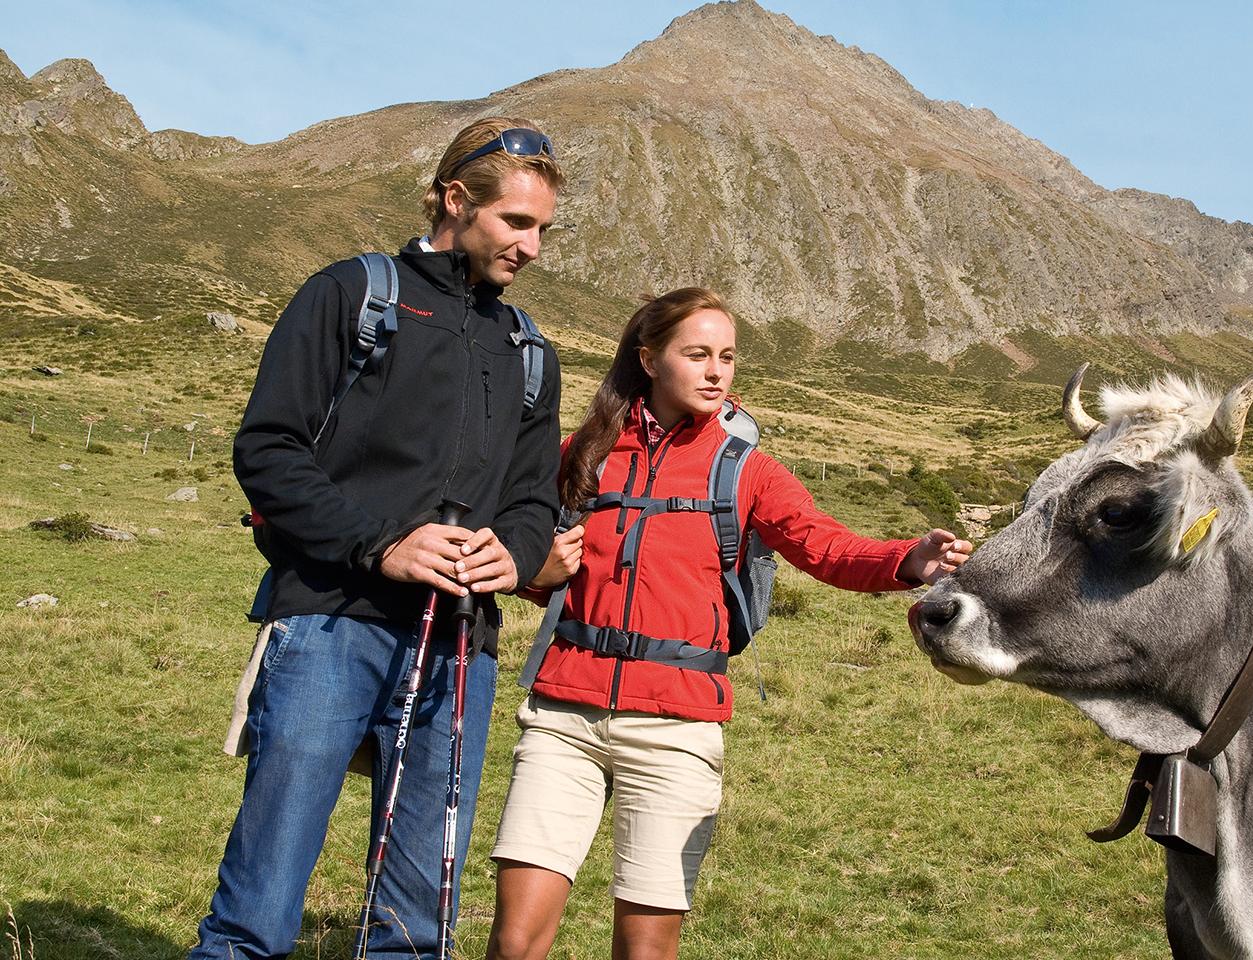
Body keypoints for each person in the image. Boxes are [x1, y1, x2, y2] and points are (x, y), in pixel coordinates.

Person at [484, 287, 973, 960]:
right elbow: (529, 556)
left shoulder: (748, 472)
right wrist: (532, 572)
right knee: (514, 941)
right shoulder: (584, 453)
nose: (716, 372)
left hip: (678, 729)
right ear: (650, 360)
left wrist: (907, 559)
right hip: (562, 717)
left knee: (645, 951)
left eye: (728, 357)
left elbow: (826, 547)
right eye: (698, 355)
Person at [189, 117, 565, 960]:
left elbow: (535, 498)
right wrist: (384, 545)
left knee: (414, 928)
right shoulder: (350, 296)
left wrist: (513, 549)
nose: (533, 247)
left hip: (462, 649)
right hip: (330, 621)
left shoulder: (528, 350)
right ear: (455, 199)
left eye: (543, 228)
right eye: (516, 222)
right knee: (259, 906)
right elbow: (268, 449)